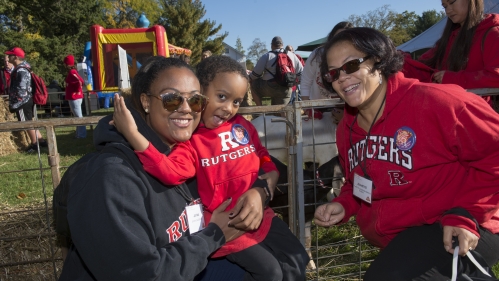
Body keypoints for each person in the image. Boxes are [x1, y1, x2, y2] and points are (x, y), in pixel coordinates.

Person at [58, 56, 272, 281]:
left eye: (196, 101)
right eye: (172, 99)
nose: (186, 110)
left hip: (189, 262)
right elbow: (141, 274)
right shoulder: (110, 178)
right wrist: (214, 235)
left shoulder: (183, 151)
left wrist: (261, 190)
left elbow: (254, 164)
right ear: (146, 102)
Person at [314, 27, 499, 280]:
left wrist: (467, 213)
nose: (342, 78)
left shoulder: (438, 103)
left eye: (351, 65)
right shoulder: (347, 127)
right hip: (403, 238)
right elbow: (360, 181)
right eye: (333, 73)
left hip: (465, 222)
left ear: (378, 61)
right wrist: (344, 204)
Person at [112, 55, 309, 281]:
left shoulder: (242, 126)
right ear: (202, 93)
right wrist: (133, 135)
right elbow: (169, 171)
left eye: (236, 101)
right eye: (222, 97)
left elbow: (261, 154)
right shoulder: (192, 142)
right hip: (231, 225)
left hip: (261, 213)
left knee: (297, 259)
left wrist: (268, 176)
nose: (229, 108)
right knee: (271, 272)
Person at [402, 0, 499, 106]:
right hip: (443, 109)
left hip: (474, 113)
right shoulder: (448, 39)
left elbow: (495, 77)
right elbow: (423, 69)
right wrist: (396, 59)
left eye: (452, 2)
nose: (448, 10)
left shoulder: (493, 34)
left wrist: (452, 78)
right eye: (444, 6)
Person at [300, 21, 353, 123]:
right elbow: (306, 82)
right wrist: (307, 108)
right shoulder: (318, 54)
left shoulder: (355, 57)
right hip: (319, 107)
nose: (340, 41)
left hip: (345, 107)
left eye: (345, 37)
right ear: (331, 37)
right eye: (337, 37)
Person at [5, 47, 48, 153]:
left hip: (23, 101)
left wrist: (16, 103)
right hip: (27, 100)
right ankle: (41, 140)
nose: (8, 58)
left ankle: (34, 144)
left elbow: (22, 89)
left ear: (15, 57)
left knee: (25, 122)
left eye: (9, 55)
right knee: (29, 120)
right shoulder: (23, 68)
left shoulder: (21, 70)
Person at [249, 36, 304, 106]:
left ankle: (261, 111)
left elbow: (255, 74)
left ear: (272, 45)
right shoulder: (292, 55)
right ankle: (283, 115)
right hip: (286, 88)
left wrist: (249, 78)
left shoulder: (267, 56)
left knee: (254, 86)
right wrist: (296, 83)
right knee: (282, 110)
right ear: (282, 45)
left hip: (269, 87)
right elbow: (301, 74)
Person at [63, 55, 86, 138]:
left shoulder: (72, 72)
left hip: (74, 97)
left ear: (67, 64)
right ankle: (79, 134)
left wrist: (76, 89)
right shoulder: (74, 71)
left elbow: (79, 81)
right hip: (76, 96)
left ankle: (82, 135)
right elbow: (81, 81)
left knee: (79, 117)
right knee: (77, 116)